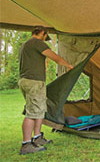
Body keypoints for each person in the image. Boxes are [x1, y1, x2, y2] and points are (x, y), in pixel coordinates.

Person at [18, 26, 73, 155]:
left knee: (39, 110)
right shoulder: (37, 43)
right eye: (45, 37)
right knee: (32, 113)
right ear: (42, 33)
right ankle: (26, 144)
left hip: (27, 80)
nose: (45, 40)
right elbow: (55, 58)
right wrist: (69, 66)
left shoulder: (25, 45)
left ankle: (37, 138)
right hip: (33, 82)